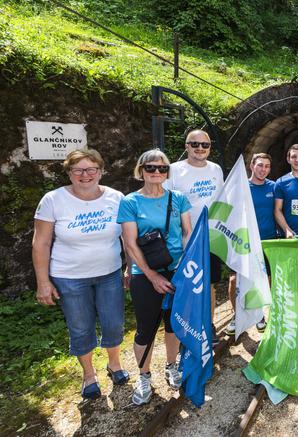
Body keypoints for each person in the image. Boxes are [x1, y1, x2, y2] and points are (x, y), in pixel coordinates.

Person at [33, 149, 127, 399]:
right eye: (78, 170)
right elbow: (40, 243)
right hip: (69, 277)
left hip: (109, 273)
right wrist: (43, 282)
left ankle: (114, 364)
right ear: (69, 173)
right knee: (80, 327)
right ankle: (89, 375)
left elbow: (127, 236)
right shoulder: (53, 200)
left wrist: (131, 267)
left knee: (114, 322)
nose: (85, 175)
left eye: (91, 169)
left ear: (101, 171)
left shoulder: (116, 198)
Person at [117, 149, 192, 406]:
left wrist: (186, 263)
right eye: (151, 168)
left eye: (162, 168)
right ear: (141, 170)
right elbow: (130, 243)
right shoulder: (130, 202)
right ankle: (144, 375)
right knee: (146, 328)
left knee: (173, 323)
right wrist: (150, 275)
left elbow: (186, 232)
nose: (157, 172)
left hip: (176, 270)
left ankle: (171, 365)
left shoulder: (179, 198)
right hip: (144, 272)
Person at [164, 129, 224, 341]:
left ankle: (208, 325)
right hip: (185, 240)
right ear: (186, 146)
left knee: (210, 283)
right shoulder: (173, 170)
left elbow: (222, 200)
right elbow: (165, 203)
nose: (200, 148)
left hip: (211, 237)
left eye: (205, 145)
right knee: (186, 284)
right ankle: (186, 327)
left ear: (210, 148)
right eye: (195, 144)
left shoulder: (216, 169)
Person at [226, 153, 277, 335]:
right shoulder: (241, 187)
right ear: (251, 166)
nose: (263, 169)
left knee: (265, 280)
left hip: (267, 240)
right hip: (243, 242)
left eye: (267, 166)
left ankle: (259, 315)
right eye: (260, 165)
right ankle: (236, 315)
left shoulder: (273, 187)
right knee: (235, 280)